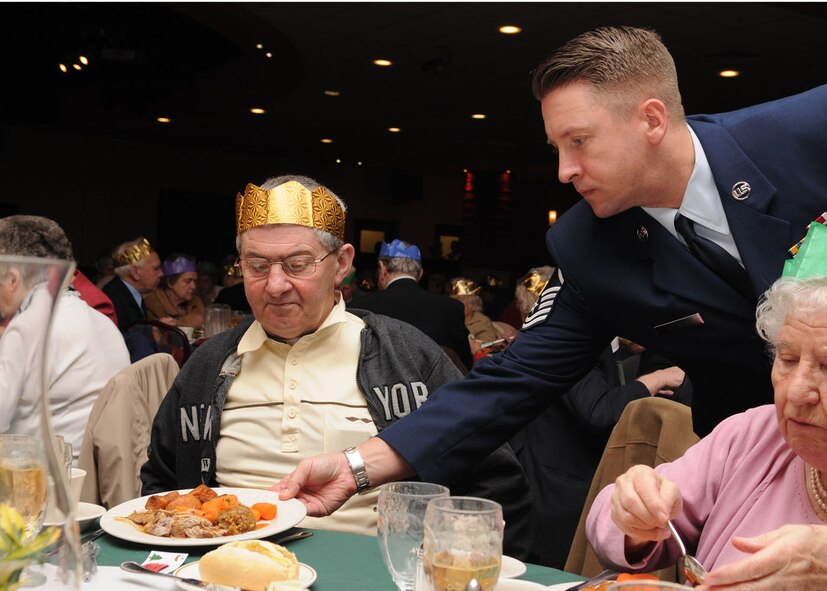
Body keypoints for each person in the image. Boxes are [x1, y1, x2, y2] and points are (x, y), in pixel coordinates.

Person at [273, 26, 827, 521]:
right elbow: (516, 376)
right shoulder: (589, 244)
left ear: (652, 119)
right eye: (557, 147)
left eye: (579, 141)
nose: (565, 171)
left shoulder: (803, 134)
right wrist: (356, 466)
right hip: (760, 480)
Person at [140, 175, 533, 556]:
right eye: (257, 266)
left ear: (342, 263)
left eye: (297, 264)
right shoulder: (210, 363)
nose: (275, 285)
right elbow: (161, 483)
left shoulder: (406, 355)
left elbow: (496, 484)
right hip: (229, 571)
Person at [586, 270, 827, 589]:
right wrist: (634, 514)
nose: (796, 392)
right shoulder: (754, 434)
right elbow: (607, 527)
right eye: (788, 359)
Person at [508, 267, 690, 568]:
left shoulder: (611, 347)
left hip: (553, 484)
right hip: (555, 493)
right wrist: (655, 380)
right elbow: (597, 412)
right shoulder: (571, 341)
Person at [0, 216, 130, 463]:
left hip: (44, 476)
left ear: (13, 279)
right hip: (91, 469)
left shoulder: (28, 328)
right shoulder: (99, 320)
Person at [350, 239, 473, 369]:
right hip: (437, 389)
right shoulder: (451, 308)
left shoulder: (360, 307)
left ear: (382, 268)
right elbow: (464, 364)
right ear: (420, 274)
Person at [103, 236, 173, 361]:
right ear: (135, 272)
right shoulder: (113, 297)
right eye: (156, 268)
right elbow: (124, 339)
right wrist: (153, 328)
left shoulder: (131, 293)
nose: (161, 274)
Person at [144, 253, 206, 329]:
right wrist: (182, 322)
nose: (194, 286)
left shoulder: (196, 302)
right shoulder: (153, 303)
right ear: (170, 283)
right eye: (188, 281)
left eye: (194, 281)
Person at [449, 277, 499, 346]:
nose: (451, 303)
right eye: (451, 299)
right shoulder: (447, 318)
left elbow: (485, 344)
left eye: (458, 299)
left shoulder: (481, 321)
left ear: (473, 304)